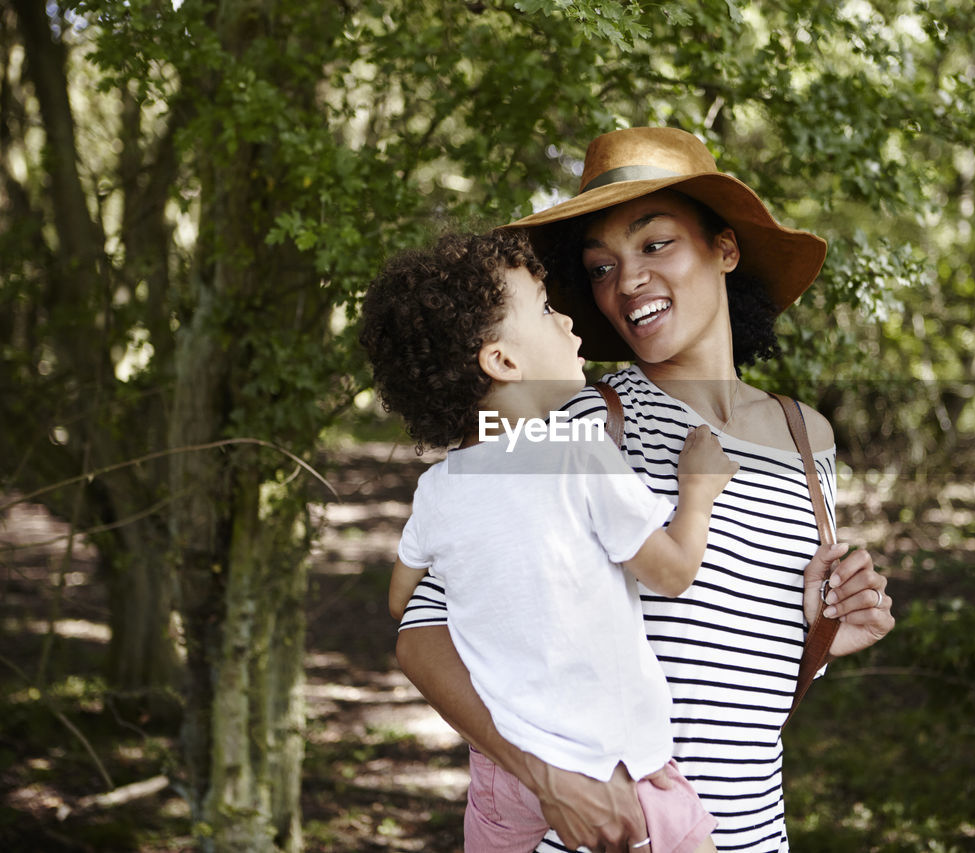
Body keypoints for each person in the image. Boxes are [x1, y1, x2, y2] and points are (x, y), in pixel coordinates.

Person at [396, 127, 896, 853]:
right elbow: (421, 625)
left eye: (655, 244)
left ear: (725, 249)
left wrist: (820, 635)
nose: (626, 283)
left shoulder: (805, 436)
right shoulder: (573, 422)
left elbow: (726, 667)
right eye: (601, 267)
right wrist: (545, 779)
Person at [360, 229, 737, 853]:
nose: (566, 319)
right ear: (503, 362)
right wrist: (696, 493)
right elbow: (670, 573)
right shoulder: (577, 453)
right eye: (543, 308)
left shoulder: (437, 488)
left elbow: (402, 602)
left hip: (499, 780)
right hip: (609, 765)